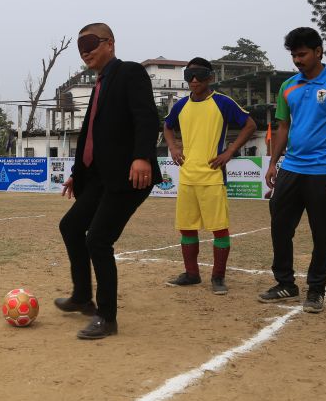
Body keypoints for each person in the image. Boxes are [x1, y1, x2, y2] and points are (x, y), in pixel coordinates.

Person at [55, 23, 161, 340]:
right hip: (101, 178)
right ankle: (82, 297)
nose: (85, 51)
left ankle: (106, 317)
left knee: (98, 240)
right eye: (80, 47)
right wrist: (77, 174)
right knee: (71, 226)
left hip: (130, 176)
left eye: (91, 43)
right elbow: (90, 135)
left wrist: (142, 156)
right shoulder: (100, 83)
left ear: (110, 44)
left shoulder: (129, 73)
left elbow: (146, 116)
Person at [260, 27, 326, 313]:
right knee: (279, 227)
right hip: (291, 167)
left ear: (318, 51)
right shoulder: (288, 86)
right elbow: (283, 127)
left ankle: (316, 290)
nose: (298, 60)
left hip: (324, 170)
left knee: (322, 232)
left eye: (302, 54)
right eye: (293, 55)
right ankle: (285, 283)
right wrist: (273, 163)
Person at [163, 57, 256, 294]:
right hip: (187, 177)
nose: (194, 80)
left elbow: (250, 125)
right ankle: (192, 274)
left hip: (213, 177)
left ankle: (218, 278)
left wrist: (230, 152)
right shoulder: (180, 105)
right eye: (189, 76)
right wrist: (173, 148)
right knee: (186, 228)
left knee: (220, 229)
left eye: (199, 75)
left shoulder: (223, 103)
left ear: (210, 77)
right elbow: (167, 125)